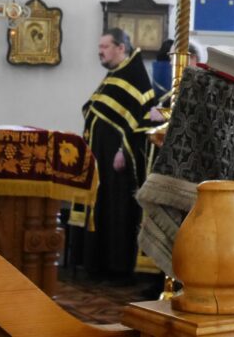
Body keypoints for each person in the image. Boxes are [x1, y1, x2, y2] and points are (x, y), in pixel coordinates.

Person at [77, 28, 155, 282]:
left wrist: (123, 150)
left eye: (105, 46)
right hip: (100, 157)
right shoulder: (115, 75)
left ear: (121, 48)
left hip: (118, 162)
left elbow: (139, 122)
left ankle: (117, 266)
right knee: (101, 205)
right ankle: (97, 263)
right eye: (99, 46)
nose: (100, 51)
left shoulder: (134, 76)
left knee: (116, 208)